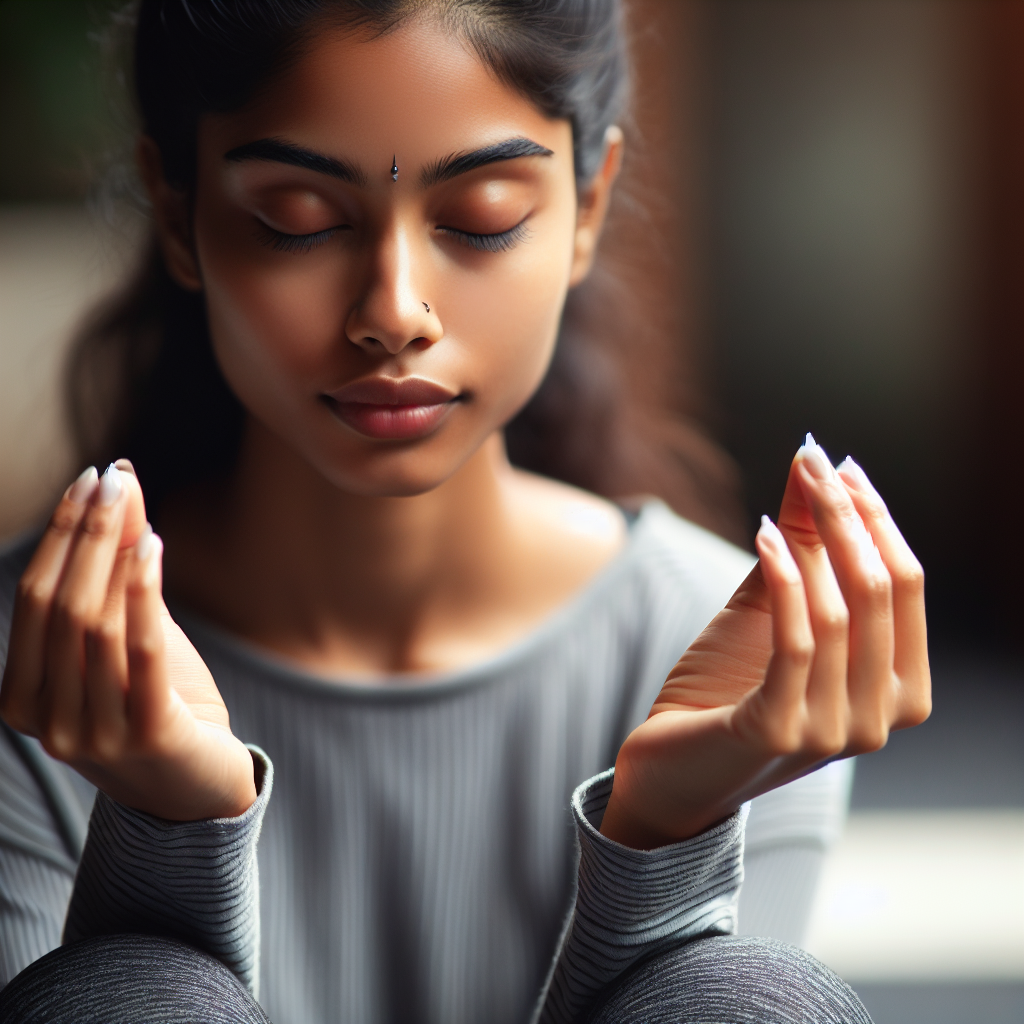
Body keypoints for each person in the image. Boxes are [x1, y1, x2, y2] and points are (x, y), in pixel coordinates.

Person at [0, 1, 930, 1022]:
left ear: (588, 206)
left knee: (736, 994)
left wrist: (662, 833)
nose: (395, 311)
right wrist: (169, 830)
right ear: (178, 218)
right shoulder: (35, 666)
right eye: (298, 219)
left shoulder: (740, 652)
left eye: (482, 215)